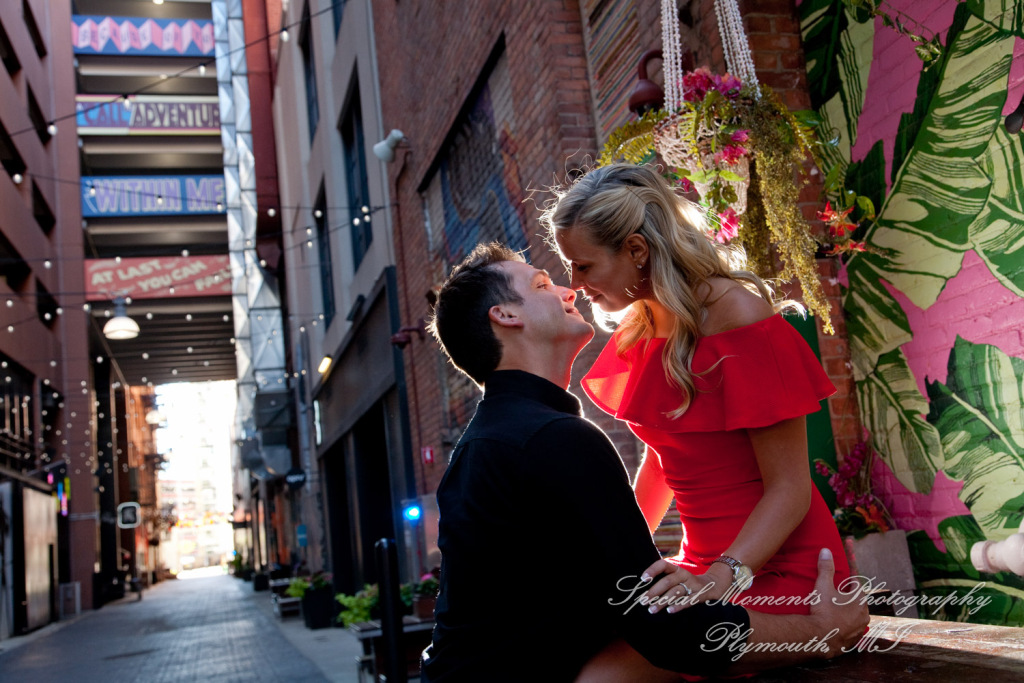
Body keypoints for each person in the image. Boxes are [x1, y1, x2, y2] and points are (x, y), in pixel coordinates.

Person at [421, 242, 868, 681]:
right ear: (505, 315)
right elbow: (671, 633)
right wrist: (822, 634)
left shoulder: (488, 441)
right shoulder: (552, 439)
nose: (569, 289)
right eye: (542, 285)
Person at [545, 163, 851, 616]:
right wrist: (617, 555)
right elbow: (663, 462)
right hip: (701, 568)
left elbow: (790, 489)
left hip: (777, 568)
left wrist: (720, 577)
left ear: (636, 250)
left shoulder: (740, 316)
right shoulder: (642, 324)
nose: (573, 284)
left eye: (584, 265)